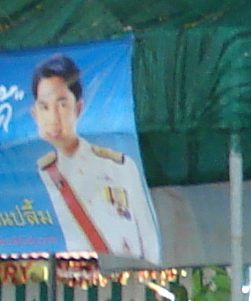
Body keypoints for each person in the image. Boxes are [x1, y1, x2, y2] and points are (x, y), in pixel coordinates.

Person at [28, 54, 161, 266]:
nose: (52, 117)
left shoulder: (119, 166)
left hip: (128, 275)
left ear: (78, 108)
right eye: (44, 107)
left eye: (62, 105)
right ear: (34, 114)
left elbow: (148, 239)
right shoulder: (39, 175)